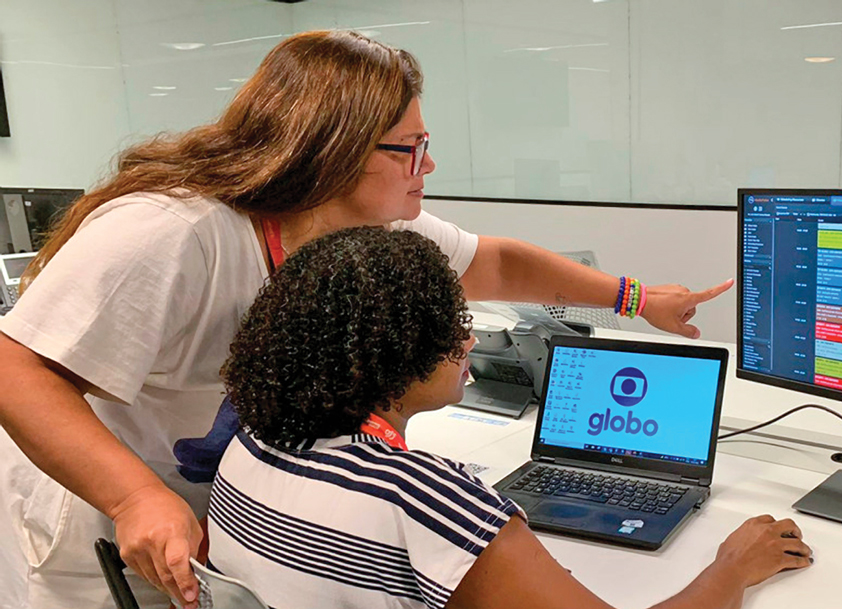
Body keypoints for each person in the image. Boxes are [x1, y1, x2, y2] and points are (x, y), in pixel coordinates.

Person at [0, 30, 732, 609]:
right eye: (412, 148)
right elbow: (16, 367)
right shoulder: (173, 232)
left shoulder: (360, 230)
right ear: (336, 149)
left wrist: (638, 300)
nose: (428, 166)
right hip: (104, 515)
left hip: (216, 518)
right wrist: (134, 495)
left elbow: (499, 264)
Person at [209, 226, 813, 609]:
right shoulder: (420, 498)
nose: (469, 340)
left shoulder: (250, 445)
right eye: (452, 323)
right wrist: (731, 570)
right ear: (395, 350)